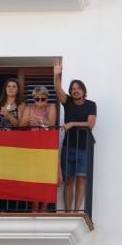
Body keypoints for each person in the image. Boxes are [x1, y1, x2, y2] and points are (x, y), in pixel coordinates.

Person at [53, 59, 96, 213]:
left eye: (78, 88)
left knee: (81, 179)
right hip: (68, 147)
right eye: (72, 89)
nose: (75, 91)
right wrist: (56, 75)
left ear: (84, 91)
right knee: (69, 180)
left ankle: (77, 210)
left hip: (84, 148)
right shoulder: (68, 102)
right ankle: (68, 211)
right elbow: (58, 90)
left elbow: (90, 124)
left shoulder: (91, 105)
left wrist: (72, 124)